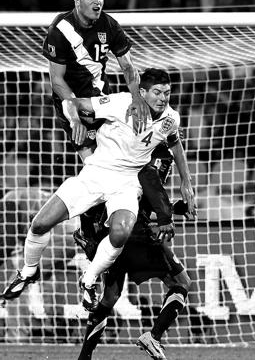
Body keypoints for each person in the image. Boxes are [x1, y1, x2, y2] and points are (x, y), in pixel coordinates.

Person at [1, 68, 195, 311]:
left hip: (127, 183)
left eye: (167, 93)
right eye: (157, 92)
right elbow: (73, 103)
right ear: (142, 92)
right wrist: (74, 120)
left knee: (121, 233)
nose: (163, 98)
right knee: (40, 224)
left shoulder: (171, 118)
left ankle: (89, 280)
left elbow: (175, 144)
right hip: (96, 173)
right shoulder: (121, 102)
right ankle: (28, 271)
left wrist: (186, 182)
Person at [74, 142, 195, 360]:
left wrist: (87, 234)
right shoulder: (156, 155)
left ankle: (84, 357)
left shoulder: (121, 150)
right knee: (182, 282)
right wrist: (167, 215)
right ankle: (154, 337)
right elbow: (145, 193)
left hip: (110, 235)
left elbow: (141, 201)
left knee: (110, 297)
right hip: (135, 232)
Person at [42, 0, 149, 163]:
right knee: (93, 164)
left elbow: (128, 66)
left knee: (120, 156)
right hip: (71, 100)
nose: (97, 1)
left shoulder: (109, 25)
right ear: (77, 0)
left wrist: (137, 96)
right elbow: (57, 80)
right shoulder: (60, 29)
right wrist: (74, 116)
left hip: (100, 97)